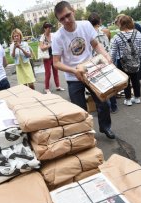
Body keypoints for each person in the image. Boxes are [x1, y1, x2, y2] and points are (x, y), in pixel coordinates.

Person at [52, 1, 115, 139]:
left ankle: (105, 127)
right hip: (73, 77)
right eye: (62, 19)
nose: (66, 20)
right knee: (79, 110)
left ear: (73, 11)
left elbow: (96, 44)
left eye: (68, 15)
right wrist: (74, 71)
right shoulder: (57, 37)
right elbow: (56, 63)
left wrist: (106, 55)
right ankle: (86, 134)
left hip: (91, 71)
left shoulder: (85, 25)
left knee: (104, 102)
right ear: (59, 20)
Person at [88, 12, 119, 114]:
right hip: (106, 61)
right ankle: (114, 106)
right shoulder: (104, 33)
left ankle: (106, 107)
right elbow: (108, 48)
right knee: (111, 84)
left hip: (95, 64)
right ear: (100, 21)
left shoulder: (89, 36)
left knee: (101, 86)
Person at [111, 14, 141, 106]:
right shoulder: (138, 33)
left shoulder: (117, 36)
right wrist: (137, 58)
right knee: (135, 79)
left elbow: (113, 52)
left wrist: (112, 62)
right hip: (135, 61)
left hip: (123, 62)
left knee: (126, 81)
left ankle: (128, 99)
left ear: (120, 24)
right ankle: (137, 98)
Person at [39, 22, 64, 94]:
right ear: (44, 29)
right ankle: (47, 88)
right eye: (48, 28)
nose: (50, 29)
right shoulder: (42, 37)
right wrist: (49, 45)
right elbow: (41, 48)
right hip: (47, 58)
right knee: (48, 73)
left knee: (56, 72)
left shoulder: (53, 35)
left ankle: (58, 86)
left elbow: (59, 35)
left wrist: (60, 26)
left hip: (54, 56)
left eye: (50, 27)